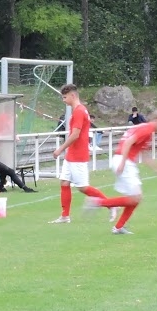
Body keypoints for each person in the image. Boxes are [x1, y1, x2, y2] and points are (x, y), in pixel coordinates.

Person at [83, 108, 157, 234]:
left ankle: (119, 227)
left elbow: (145, 156)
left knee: (136, 198)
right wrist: (123, 163)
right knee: (135, 198)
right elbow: (128, 143)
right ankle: (98, 202)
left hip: (123, 161)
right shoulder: (146, 129)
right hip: (124, 162)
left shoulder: (145, 129)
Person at [48, 83, 109, 223]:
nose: (63, 100)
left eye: (65, 97)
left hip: (78, 155)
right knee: (64, 182)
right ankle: (65, 216)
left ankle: (110, 205)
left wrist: (60, 149)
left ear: (72, 95)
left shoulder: (79, 111)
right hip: (72, 154)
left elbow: (75, 135)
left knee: (82, 187)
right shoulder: (78, 110)